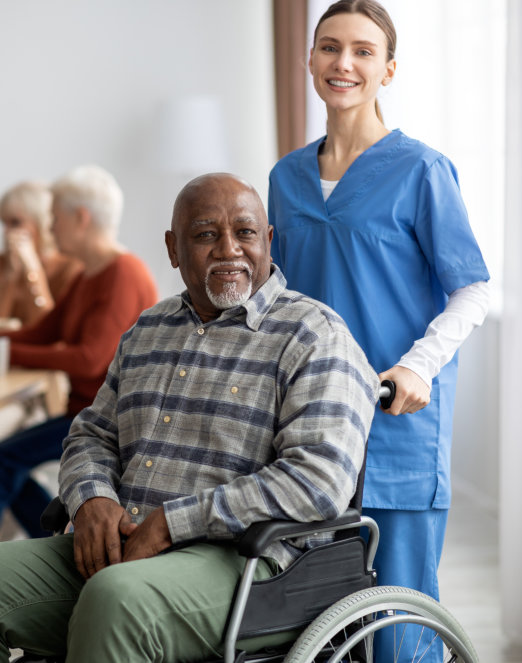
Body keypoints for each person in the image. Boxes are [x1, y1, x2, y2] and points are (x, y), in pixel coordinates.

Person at [0, 173, 378, 663]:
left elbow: (319, 480)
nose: (228, 249)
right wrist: (91, 498)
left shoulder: (314, 334)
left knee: (116, 599)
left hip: (248, 563)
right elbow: (91, 434)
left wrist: (175, 523)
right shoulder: (148, 330)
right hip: (123, 546)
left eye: (244, 233)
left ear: (268, 241)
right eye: (204, 234)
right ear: (173, 248)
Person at [268, 1, 490, 659]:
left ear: (387, 69)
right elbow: (279, 292)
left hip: (396, 422)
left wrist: (420, 363)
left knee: (396, 630)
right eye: (330, 47)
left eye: (364, 51)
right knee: (319, 621)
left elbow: (472, 288)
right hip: (310, 426)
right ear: (310, 61)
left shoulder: (422, 169)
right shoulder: (285, 177)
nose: (344, 63)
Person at [0, 164, 158, 539]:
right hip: (84, 412)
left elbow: (91, 359)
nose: (50, 229)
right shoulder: (88, 274)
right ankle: (58, 543)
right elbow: (43, 332)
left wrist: (8, 354)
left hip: (110, 422)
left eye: (54, 218)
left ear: (80, 218)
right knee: (6, 459)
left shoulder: (123, 274)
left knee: (4, 458)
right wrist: (8, 344)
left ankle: (52, 548)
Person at [0, 180, 82, 329]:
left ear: (42, 223)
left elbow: (51, 330)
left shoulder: (70, 268)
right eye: (4, 223)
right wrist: (8, 277)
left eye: (15, 222)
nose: (7, 232)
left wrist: (32, 271)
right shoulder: (2, 263)